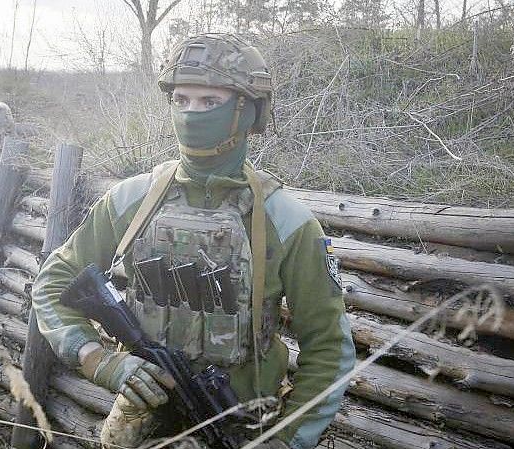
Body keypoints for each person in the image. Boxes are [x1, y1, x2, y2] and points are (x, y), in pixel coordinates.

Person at [31, 33, 355, 449]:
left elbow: (329, 348)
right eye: (180, 100)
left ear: (246, 112)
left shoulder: (285, 221)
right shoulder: (130, 200)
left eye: (209, 102)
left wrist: (286, 440)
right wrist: (103, 362)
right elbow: (53, 284)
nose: (190, 114)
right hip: (137, 422)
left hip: (243, 427)